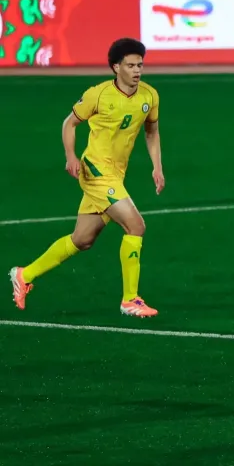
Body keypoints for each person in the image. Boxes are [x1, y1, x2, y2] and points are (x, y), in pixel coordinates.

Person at [9, 38, 164, 317]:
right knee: (136, 226)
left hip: (116, 174)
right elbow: (70, 122)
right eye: (130, 65)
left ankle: (24, 274)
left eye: (140, 64)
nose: (137, 70)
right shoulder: (99, 94)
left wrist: (157, 167)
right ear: (116, 67)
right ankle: (131, 299)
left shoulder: (149, 96)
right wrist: (70, 155)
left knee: (82, 239)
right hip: (94, 171)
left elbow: (151, 132)